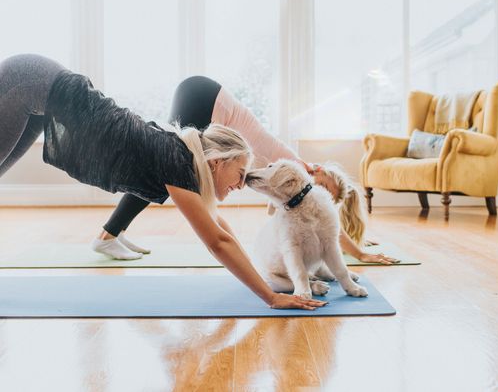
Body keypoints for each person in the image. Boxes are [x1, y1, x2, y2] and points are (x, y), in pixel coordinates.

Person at [0, 54, 326, 311]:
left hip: (41, 91)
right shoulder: (179, 161)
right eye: (240, 175)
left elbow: (222, 232)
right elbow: (217, 242)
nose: (242, 185)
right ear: (218, 162)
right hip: (31, 81)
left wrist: (262, 282)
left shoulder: (184, 161)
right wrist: (270, 297)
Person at [94, 75, 399, 265]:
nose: (316, 194)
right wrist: (355, 251)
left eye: (323, 195)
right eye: (323, 187)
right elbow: (320, 217)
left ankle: (115, 232)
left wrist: (352, 241)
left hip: (202, 92)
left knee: (163, 169)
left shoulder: (288, 180)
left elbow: (308, 217)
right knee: (167, 169)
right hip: (206, 98)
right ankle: (108, 235)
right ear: (315, 171)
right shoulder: (295, 167)